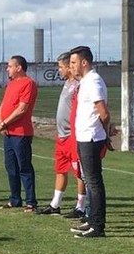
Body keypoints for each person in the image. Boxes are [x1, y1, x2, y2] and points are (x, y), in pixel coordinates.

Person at [37, 52, 87, 218]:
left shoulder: (80, 84)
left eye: (60, 67)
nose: (59, 70)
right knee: (60, 169)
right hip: (62, 135)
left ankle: (81, 206)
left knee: (78, 171)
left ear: (69, 66)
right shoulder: (67, 83)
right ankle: (55, 204)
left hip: (73, 135)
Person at [67, 46, 110, 238]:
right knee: (89, 180)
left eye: (74, 62)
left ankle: (97, 225)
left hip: (91, 137)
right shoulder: (85, 82)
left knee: (94, 182)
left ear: (84, 62)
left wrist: (105, 132)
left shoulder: (93, 81)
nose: (71, 66)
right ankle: (91, 220)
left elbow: (104, 112)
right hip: (84, 136)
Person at [0, 55, 38, 212]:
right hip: (8, 133)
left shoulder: (28, 83)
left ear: (19, 67)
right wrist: (0, 121)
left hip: (21, 133)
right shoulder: (11, 84)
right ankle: (14, 199)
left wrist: (5, 122)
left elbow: (22, 108)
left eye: (10, 66)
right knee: (10, 167)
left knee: (24, 167)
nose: (8, 69)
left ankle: (31, 202)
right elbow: (3, 105)